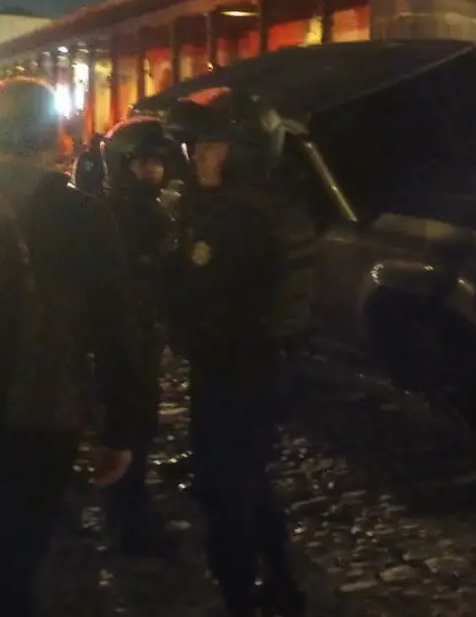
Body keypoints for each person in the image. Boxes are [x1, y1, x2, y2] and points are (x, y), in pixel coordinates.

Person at [0, 78, 145, 615]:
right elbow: (115, 327)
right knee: (14, 560)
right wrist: (122, 427)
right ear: (54, 134)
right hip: (39, 412)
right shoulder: (80, 213)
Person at [164, 90, 305, 617]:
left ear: (244, 149)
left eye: (213, 144)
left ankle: (239, 597)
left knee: (224, 492)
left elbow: (210, 300)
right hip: (253, 368)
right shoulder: (245, 206)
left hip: (237, 372)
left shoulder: (237, 219)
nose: (198, 153)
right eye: (197, 144)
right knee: (251, 480)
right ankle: (284, 586)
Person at [99, 117, 184, 555]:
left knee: (141, 423)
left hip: (145, 334)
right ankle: (127, 519)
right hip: (126, 337)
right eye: (142, 162)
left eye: (157, 162)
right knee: (129, 425)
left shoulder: (152, 208)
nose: (152, 170)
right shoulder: (116, 213)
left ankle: (128, 510)